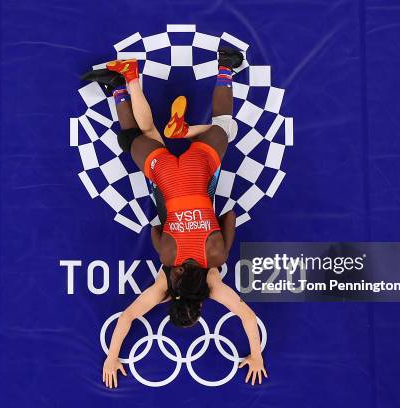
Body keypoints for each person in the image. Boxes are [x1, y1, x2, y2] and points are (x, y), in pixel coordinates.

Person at [83, 48, 267, 388]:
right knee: (136, 139)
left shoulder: (216, 270)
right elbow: (128, 316)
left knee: (223, 128)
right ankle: (126, 86)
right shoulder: (165, 273)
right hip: (167, 177)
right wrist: (112, 357)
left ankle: (221, 72)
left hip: (199, 170)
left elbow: (245, 314)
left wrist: (256, 354)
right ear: (175, 292)